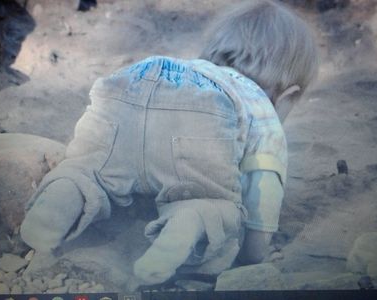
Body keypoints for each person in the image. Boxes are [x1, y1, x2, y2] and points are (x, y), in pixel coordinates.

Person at [20, 0, 319, 285]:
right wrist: (255, 252)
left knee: (92, 168)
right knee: (208, 200)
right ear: (289, 96)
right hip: (200, 114)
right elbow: (261, 192)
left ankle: (65, 193)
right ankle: (189, 222)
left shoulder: (197, 71)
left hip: (132, 82)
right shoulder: (262, 111)